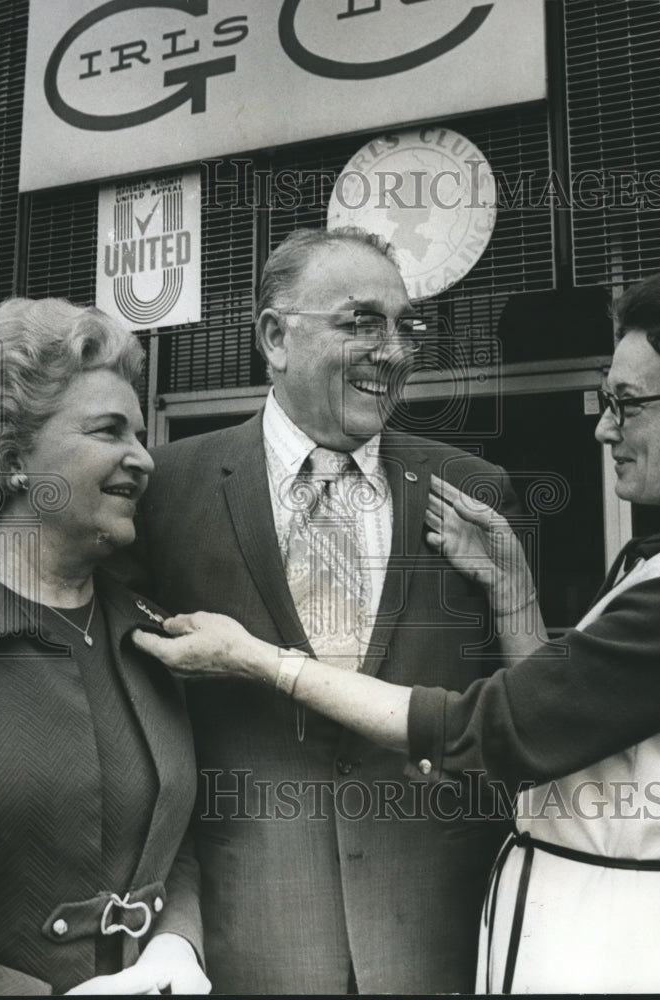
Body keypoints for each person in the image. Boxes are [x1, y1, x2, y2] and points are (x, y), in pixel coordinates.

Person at [135, 264, 660, 993]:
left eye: (627, 402)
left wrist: (264, 661)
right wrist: (515, 597)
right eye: (361, 321)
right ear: (274, 337)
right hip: (276, 927)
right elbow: (564, 719)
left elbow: (495, 729)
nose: (603, 424)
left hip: (600, 940)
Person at [125, 227, 521, 994]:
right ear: (274, 337)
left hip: (441, 930)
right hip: (252, 929)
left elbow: (516, 705)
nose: (395, 350)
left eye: (406, 325)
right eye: (361, 321)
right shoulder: (164, 489)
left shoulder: (470, 490)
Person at [0, 298, 210, 995]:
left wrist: (177, 943)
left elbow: (170, 838)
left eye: (140, 434)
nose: (143, 459)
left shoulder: (152, 633)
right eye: (109, 430)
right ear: (15, 455)